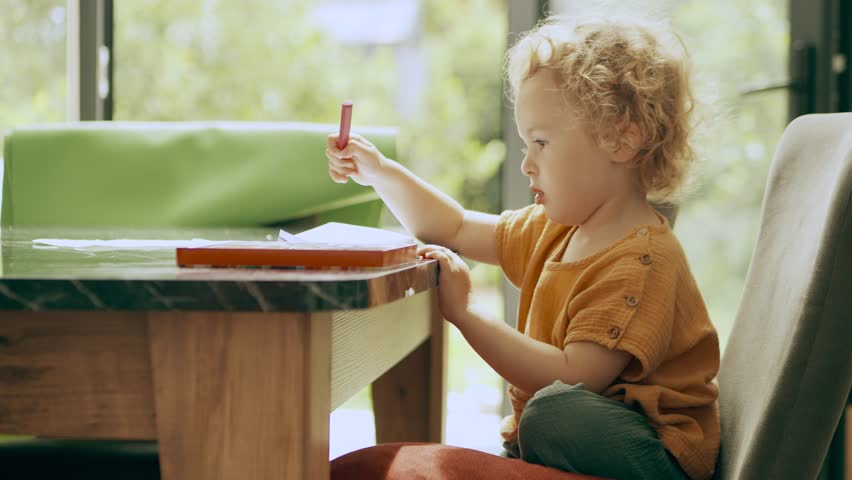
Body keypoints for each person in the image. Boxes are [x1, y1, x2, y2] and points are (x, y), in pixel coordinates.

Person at [326, 14, 719, 480]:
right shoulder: (557, 229)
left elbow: (576, 375)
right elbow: (449, 227)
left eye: (541, 142)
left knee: (552, 412)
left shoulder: (641, 260)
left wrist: (467, 315)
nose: (526, 164)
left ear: (621, 138)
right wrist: (379, 171)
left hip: (653, 456)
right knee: (546, 417)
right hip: (576, 435)